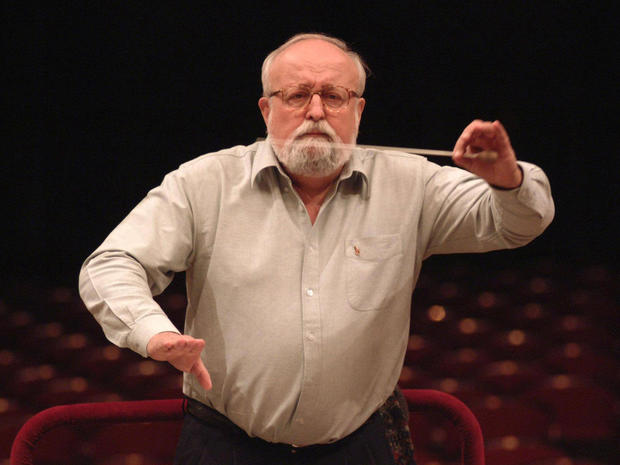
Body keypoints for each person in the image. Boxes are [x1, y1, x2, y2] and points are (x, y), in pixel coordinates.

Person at [79, 33, 554, 465]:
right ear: (267, 110)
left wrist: (507, 180)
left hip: (361, 445)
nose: (315, 111)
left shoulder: (412, 184)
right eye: (297, 95)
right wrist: (151, 332)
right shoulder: (205, 183)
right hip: (226, 445)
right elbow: (111, 264)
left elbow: (516, 224)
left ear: (359, 110)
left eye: (333, 96)